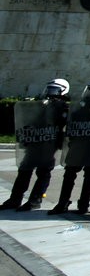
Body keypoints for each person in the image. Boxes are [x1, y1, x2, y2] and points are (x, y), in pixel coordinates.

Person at [1, 79, 71, 211]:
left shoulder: (63, 108)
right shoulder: (41, 105)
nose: (51, 93)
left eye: (54, 90)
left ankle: (35, 199)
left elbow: (62, 125)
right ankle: (15, 199)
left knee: (43, 172)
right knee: (24, 170)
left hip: (49, 144)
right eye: (49, 89)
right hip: (35, 142)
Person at [49, 80, 90, 214]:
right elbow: (74, 117)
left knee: (89, 174)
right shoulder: (84, 103)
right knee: (70, 172)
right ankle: (63, 202)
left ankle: (83, 204)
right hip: (79, 142)